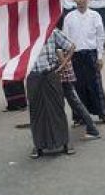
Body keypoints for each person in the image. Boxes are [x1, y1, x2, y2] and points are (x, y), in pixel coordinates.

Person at [63, 0, 105, 126]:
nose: (80, 0)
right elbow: (66, 39)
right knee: (78, 86)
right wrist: (66, 59)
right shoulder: (69, 18)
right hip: (75, 55)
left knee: (95, 85)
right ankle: (79, 117)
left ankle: (103, 114)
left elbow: (100, 37)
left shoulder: (95, 16)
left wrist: (100, 56)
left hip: (91, 55)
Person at [26, 28, 76, 159]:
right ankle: (38, 145)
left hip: (51, 75)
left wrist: (63, 64)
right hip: (33, 77)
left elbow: (71, 46)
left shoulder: (52, 31)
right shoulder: (24, 32)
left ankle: (65, 143)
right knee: (36, 111)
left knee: (57, 109)